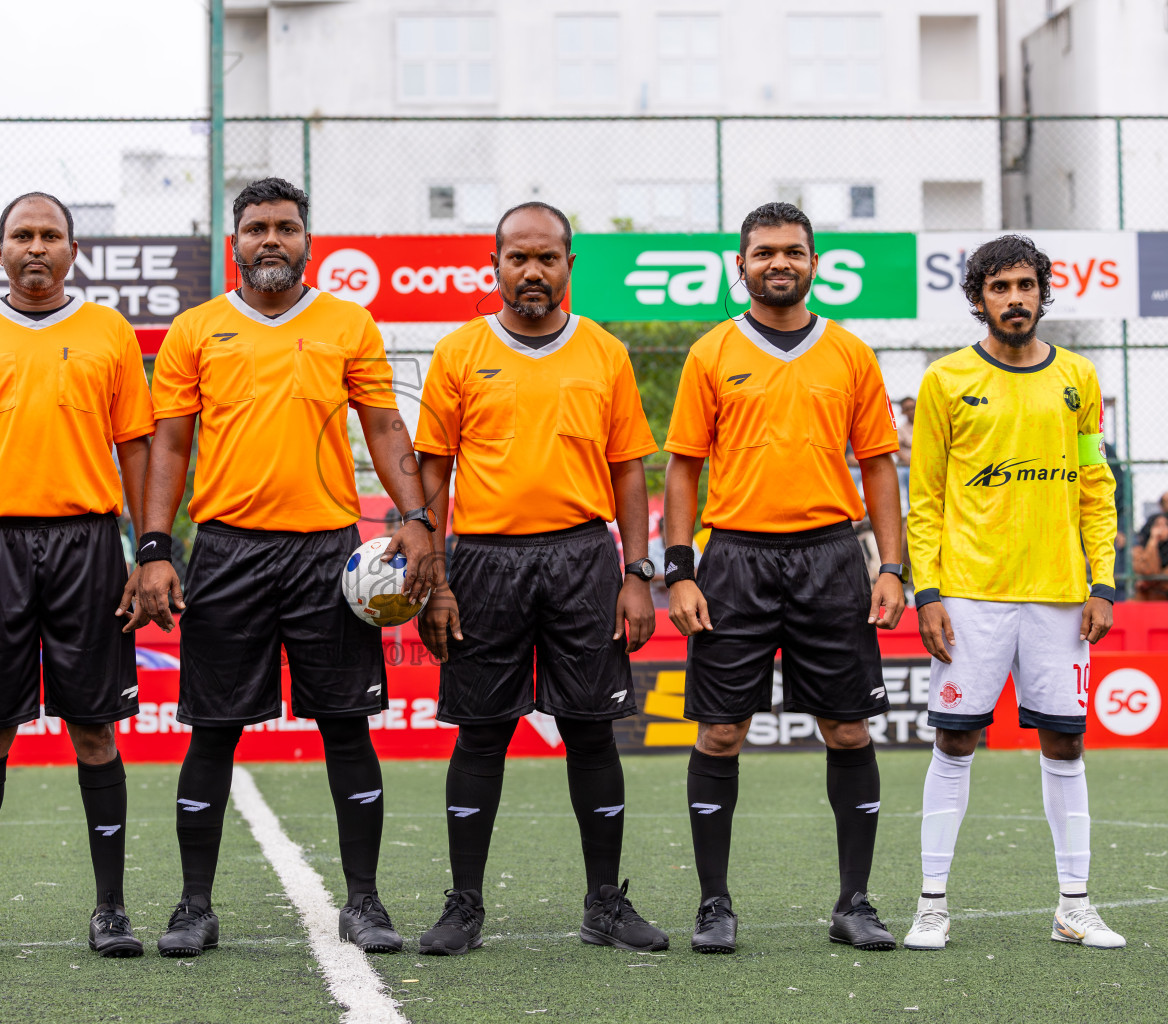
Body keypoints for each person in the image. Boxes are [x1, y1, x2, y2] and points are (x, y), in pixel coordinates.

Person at [140, 177, 437, 958]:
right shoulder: (196, 329)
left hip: (327, 555)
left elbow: (382, 422)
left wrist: (416, 519)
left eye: (286, 227)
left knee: (347, 727)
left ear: (309, 240)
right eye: (257, 228)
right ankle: (194, 907)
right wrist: (156, 548)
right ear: (233, 241)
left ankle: (365, 903)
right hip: (228, 550)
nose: (271, 239)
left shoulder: (347, 322)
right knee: (211, 732)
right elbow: (169, 444)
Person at [412, 202, 665, 956]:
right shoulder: (459, 352)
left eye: (546, 258)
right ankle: (464, 906)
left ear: (568, 267)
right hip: (483, 561)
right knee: (482, 735)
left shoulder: (605, 353)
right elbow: (434, 473)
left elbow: (630, 471)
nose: (532, 271)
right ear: (494, 265)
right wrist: (437, 578)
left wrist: (637, 571)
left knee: (591, 731)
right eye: (517, 258)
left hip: (584, 557)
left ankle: (604, 905)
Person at [663, 202, 906, 954]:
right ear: (740, 264)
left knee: (847, 727)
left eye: (792, 251)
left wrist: (891, 566)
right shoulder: (710, 352)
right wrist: (679, 570)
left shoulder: (850, 353)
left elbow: (877, 467)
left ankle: (855, 903)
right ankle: (714, 906)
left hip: (832, 556)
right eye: (763, 251)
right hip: (734, 558)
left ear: (813, 261)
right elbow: (683, 468)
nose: (779, 262)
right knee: (722, 731)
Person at [0, 191, 155, 960]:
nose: (36, 248)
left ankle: (112, 910)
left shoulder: (109, 332)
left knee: (94, 729)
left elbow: (137, 450)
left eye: (51, 235)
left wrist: (146, 550)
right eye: (21, 235)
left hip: (88, 542)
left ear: (73, 250)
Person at [904, 234, 1124, 950]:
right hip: (969, 592)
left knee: (1065, 741)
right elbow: (925, 496)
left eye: (1026, 285)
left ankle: (1075, 907)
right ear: (978, 300)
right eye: (1000, 288)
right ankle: (932, 905)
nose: (1015, 298)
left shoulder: (1080, 380)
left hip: (1061, 594)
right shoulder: (944, 382)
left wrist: (1101, 580)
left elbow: (1096, 485)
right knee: (957, 738)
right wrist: (927, 590)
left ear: (1043, 292)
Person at [1132, 513, 1168, 600]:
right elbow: (1149, 571)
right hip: (1146, 602)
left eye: (1166, 525)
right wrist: (1153, 540)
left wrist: (1150, 582)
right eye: (1157, 525)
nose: (1161, 529)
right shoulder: (1139, 550)